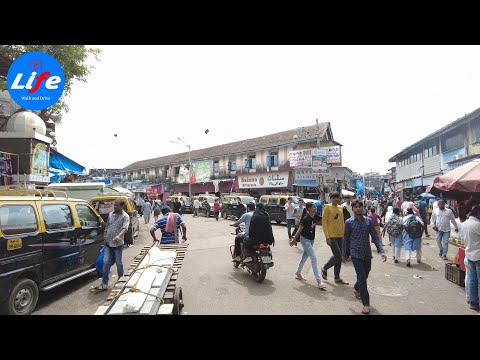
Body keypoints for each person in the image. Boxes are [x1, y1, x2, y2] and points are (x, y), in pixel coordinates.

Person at [342, 200, 387, 315]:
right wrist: (344, 254)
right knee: (362, 278)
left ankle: (356, 287)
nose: (358, 208)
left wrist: (381, 250)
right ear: (352, 209)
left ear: (363, 208)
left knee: (365, 275)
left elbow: (375, 237)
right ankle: (366, 304)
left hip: (367, 254)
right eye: (355, 207)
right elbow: (346, 239)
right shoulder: (349, 222)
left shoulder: (368, 221)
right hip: (355, 254)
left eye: (359, 206)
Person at [289, 202, 327, 290]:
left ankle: (298, 273)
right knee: (313, 258)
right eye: (314, 206)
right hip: (305, 240)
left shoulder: (316, 216)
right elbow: (299, 229)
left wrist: (326, 208)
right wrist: (294, 240)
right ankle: (319, 281)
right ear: (309, 208)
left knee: (304, 256)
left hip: (311, 239)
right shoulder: (306, 218)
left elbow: (323, 219)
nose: (315, 208)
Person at [95, 199, 130, 290]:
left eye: (117, 205)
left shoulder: (125, 216)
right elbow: (108, 226)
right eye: (114, 205)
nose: (115, 207)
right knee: (105, 262)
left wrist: (119, 236)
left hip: (118, 244)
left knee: (119, 263)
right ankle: (104, 283)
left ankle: (120, 281)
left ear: (122, 206)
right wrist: (105, 236)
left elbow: (125, 228)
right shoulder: (111, 215)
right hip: (108, 243)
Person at [320, 192, 348, 285]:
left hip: (340, 235)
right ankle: (325, 267)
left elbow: (342, 222)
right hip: (332, 235)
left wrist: (344, 234)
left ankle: (337, 277)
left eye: (337, 197)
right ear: (331, 198)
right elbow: (324, 223)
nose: (336, 199)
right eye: (334, 197)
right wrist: (327, 237)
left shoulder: (340, 208)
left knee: (339, 258)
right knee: (338, 255)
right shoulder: (327, 207)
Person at [463, 205, 480, 311]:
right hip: (478, 255)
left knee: (472, 280)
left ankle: (473, 303)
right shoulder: (477, 224)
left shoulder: (465, 223)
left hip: (469, 254)